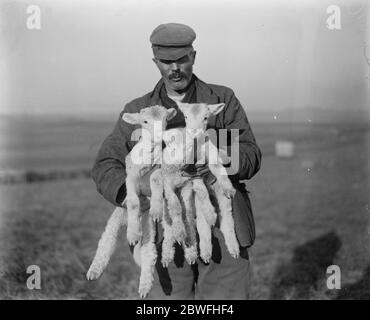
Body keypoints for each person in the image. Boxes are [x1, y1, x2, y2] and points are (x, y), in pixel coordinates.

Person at [91, 23, 262, 299]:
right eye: (166, 61)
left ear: (193, 56)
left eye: (181, 59)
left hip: (219, 222)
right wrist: (136, 192)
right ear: (155, 62)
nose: (175, 68)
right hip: (164, 229)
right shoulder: (138, 109)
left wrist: (215, 161)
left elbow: (251, 154)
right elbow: (105, 164)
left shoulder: (223, 100)